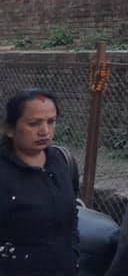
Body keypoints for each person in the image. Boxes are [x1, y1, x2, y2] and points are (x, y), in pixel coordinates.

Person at [0, 88, 80, 275]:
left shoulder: (61, 161)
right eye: (34, 123)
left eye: (51, 122)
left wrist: (73, 255)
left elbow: (72, 215)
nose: (44, 131)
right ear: (10, 129)